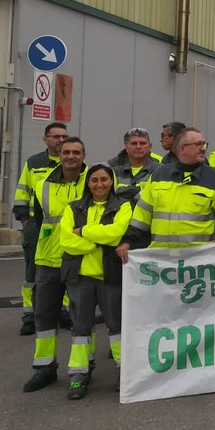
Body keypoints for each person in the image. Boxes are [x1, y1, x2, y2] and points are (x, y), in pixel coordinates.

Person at [22, 136, 88, 392]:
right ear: (59, 154)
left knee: (80, 317)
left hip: (80, 258)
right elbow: (38, 220)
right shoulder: (43, 184)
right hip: (48, 258)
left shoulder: (93, 181)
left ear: (84, 155)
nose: (71, 156)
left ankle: (82, 369)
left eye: (76, 152)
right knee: (44, 314)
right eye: (66, 152)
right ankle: (44, 368)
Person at [59, 163, 130, 399]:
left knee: (117, 326)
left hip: (110, 276)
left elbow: (117, 233)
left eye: (104, 179)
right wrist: (97, 240)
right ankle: (79, 374)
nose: (99, 184)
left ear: (112, 182)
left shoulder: (123, 206)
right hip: (80, 277)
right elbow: (66, 240)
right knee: (80, 327)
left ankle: (125, 371)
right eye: (94, 180)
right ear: (88, 183)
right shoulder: (73, 208)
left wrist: (84, 232)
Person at [116, 127, 215, 256]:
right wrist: (127, 242)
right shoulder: (159, 174)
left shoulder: (214, 178)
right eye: (197, 144)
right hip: (162, 259)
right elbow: (142, 215)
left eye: (204, 144)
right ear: (181, 148)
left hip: (198, 261)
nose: (203, 148)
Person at [14, 122, 68, 335]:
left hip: (65, 229)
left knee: (65, 270)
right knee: (33, 273)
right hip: (37, 228)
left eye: (64, 136)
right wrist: (25, 221)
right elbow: (22, 192)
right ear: (45, 139)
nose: (60, 141)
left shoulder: (73, 162)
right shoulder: (34, 163)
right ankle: (30, 316)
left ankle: (63, 312)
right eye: (56, 137)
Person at [110, 127, 158, 202]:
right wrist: (141, 189)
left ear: (150, 147)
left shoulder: (159, 170)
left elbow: (156, 196)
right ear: (126, 147)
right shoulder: (115, 172)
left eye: (142, 143)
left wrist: (122, 191)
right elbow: (110, 195)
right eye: (134, 143)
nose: (138, 147)